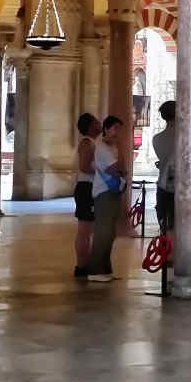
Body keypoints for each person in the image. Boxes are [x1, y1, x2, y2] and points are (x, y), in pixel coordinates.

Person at [86, 115, 126, 282]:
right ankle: (95, 271)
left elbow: (121, 167)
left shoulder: (113, 147)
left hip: (112, 192)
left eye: (119, 129)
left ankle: (105, 269)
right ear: (106, 129)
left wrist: (120, 168)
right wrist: (120, 168)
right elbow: (114, 168)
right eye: (114, 128)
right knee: (103, 232)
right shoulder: (102, 147)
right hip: (104, 193)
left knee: (109, 233)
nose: (117, 133)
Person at [73, 114, 100, 279]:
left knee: (87, 230)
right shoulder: (87, 143)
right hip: (86, 188)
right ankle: (81, 266)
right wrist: (104, 171)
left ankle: (85, 264)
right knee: (84, 230)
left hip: (89, 188)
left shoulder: (92, 143)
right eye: (97, 122)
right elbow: (84, 167)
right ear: (90, 127)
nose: (100, 124)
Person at [152, 100, 176, 235]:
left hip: (162, 185)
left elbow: (165, 160)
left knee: (165, 227)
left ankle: (166, 253)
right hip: (181, 187)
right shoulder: (186, 137)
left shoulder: (156, 139)